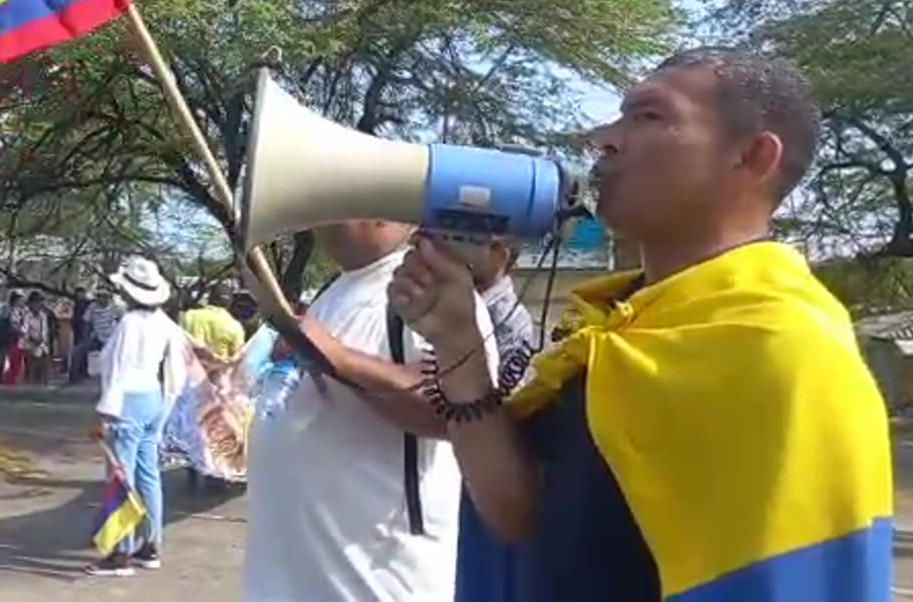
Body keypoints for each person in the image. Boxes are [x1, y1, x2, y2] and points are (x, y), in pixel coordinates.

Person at [387, 48, 891, 600]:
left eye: (649, 116)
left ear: (752, 156)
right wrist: (457, 339)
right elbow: (520, 515)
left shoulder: (788, 348)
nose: (603, 137)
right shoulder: (616, 330)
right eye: (618, 115)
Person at [243, 220, 497, 602]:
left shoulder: (424, 286)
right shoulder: (334, 290)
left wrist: (339, 359)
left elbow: (460, 413)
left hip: (377, 587)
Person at [87, 256, 187, 577]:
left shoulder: (129, 324)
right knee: (148, 476)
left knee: (120, 477)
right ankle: (151, 545)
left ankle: (121, 553)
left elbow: (117, 372)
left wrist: (103, 413)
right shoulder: (167, 325)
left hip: (126, 401)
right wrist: (165, 411)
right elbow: (176, 374)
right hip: (153, 399)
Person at [457, 238, 537, 602]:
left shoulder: (510, 322)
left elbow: (504, 402)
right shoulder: (466, 308)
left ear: (500, 255)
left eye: (469, 243)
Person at [180, 282, 245, 360]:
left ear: (210, 298)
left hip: (188, 366)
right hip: (214, 370)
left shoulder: (189, 315)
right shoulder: (236, 327)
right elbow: (237, 358)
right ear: (230, 303)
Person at [71, 288, 123, 384]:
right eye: (99, 296)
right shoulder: (92, 307)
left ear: (109, 298)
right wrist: (84, 339)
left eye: (104, 297)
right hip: (97, 337)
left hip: (111, 339)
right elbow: (86, 323)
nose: (101, 299)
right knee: (77, 352)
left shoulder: (116, 308)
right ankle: (74, 379)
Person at [20, 291, 51, 386]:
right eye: (35, 302)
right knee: (31, 371)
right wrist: (32, 338)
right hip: (31, 346)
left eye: (39, 302)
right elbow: (24, 330)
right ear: (31, 303)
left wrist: (43, 341)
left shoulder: (43, 316)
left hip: (43, 346)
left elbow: (45, 331)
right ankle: (30, 388)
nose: (37, 305)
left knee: (44, 371)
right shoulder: (27, 316)